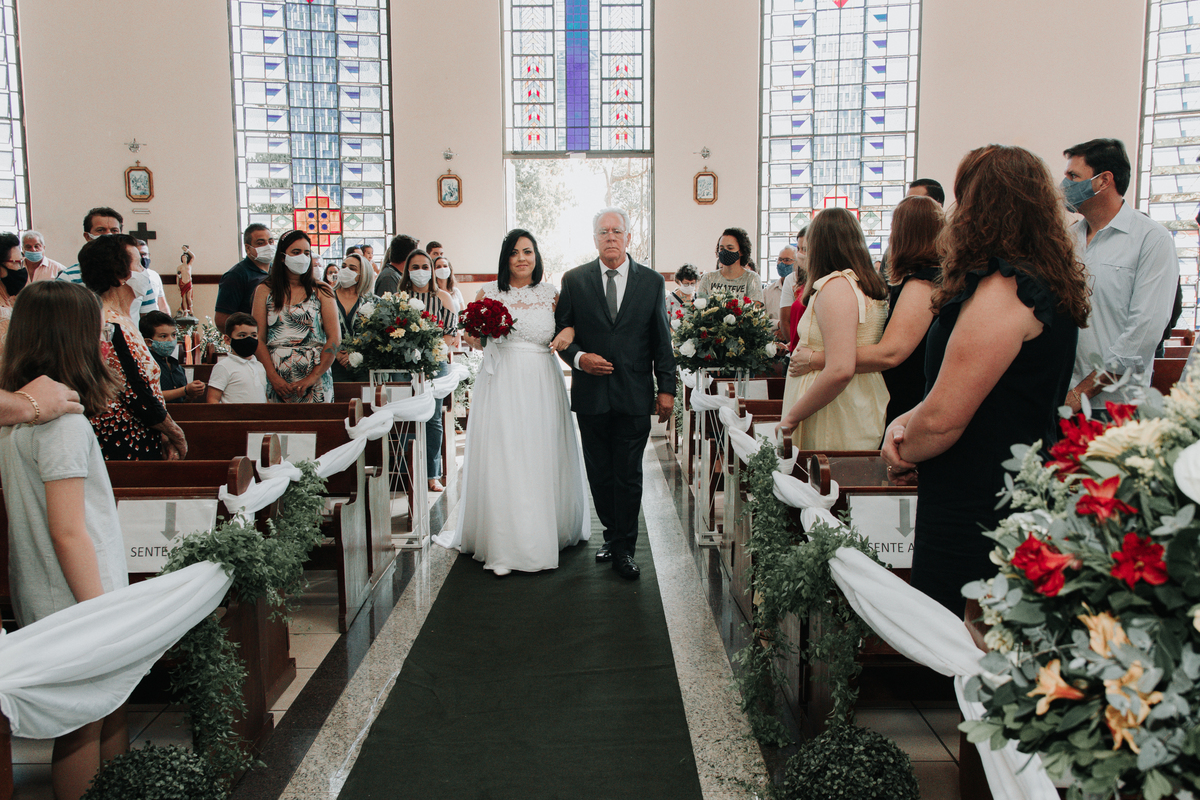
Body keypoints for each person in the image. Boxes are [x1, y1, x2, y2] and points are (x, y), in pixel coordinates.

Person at [882, 144, 1090, 617]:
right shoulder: (1038, 280)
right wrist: (907, 422)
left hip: (979, 498)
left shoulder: (1006, 289)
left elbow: (945, 420)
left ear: (980, 207)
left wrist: (901, 445)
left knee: (962, 641)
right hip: (1006, 480)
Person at [0, 281, 129, 800]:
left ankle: (118, 789)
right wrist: (102, 611)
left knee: (104, 707)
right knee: (81, 726)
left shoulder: (17, 419)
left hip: (47, 586)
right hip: (76, 593)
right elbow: (69, 528)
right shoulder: (62, 426)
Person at [435, 229, 589, 576]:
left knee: (538, 450)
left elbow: (569, 328)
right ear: (506, 257)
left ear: (537, 258)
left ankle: (544, 530)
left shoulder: (551, 293)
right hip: (501, 380)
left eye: (528, 252)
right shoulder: (487, 292)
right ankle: (504, 539)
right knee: (504, 452)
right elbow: (474, 341)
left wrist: (568, 333)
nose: (522, 258)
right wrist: (478, 335)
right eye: (515, 252)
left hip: (540, 379)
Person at [555, 207, 677, 581]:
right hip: (592, 395)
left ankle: (625, 547)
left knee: (628, 474)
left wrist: (667, 389)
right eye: (603, 231)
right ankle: (610, 535)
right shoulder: (575, 280)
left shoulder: (652, 282)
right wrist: (579, 359)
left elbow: (661, 340)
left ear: (628, 238)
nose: (610, 236)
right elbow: (562, 334)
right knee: (601, 473)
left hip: (634, 393)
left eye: (617, 231)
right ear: (594, 239)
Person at [789, 195, 944, 426]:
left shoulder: (922, 284)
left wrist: (815, 359)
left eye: (894, 229)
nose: (891, 238)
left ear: (909, 235)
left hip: (907, 395)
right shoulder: (918, 280)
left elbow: (890, 353)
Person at [1061, 138, 1179, 411]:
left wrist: (1081, 394)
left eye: (1073, 176)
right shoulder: (1067, 240)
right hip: (1063, 399)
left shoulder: (1150, 239)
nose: (1065, 184)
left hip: (1116, 405)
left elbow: (1143, 333)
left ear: (1104, 181)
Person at [778, 208, 889, 449]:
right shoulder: (860, 282)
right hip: (845, 401)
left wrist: (791, 419)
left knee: (826, 482)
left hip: (832, 410)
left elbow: (840, 369)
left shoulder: (837, 286)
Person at [78, 234, 187, 460]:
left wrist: (163, 431)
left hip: (143, 428)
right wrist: (173, 431)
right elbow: (133, 389)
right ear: (119, 275)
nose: (145, 271)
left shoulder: (122, 319)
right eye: (138, 264)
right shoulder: (108, 323)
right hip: (124, 437)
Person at [252, 230, 339, 403]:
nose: (303, 257)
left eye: (307, 253)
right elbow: (258, 338)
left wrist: (312, 378)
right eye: (296, 252)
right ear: (283, 257)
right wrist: (273, 377)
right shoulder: (264, 290)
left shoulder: (321, 290)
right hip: (275, 374)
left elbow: (334, 338)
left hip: (315, 376)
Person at [398, 249, 454, 492]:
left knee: (433, 418)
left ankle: (432, 474)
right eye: (415, 267)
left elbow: (452, 335)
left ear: (431, 271)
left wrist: (431, 349)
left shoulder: (442, 297)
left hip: (434, 362)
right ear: (407, 271)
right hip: (403, 362)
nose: (420, 271)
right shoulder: (399, 298)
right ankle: (403, 473)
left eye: (425, 267)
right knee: (402, 415)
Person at [58, 208, 158, 318]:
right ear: (87, 236)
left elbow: (149, 317)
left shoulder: (137, 275)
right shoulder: (69, 277)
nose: (109, 235)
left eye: (114, 230)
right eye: (101, 230)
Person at [214, 224, 275, 333]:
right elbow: (222, 321)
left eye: (270, 242)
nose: (268, 246)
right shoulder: (236, 275)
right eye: (260, 243)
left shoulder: (278, 272)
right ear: (248, 248)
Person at [140, 311, 204, 402]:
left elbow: (183, 400)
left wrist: (192, 393)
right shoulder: (145, 365)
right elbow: (150, 396)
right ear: (149, 342)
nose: (171, 340)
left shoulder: (177, 367)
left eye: (173, 335)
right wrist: (185, 390)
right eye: (163, 336)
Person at [330, 252, 376, 382]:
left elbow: (377, 335)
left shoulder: (372, 301)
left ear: (363, 274)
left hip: (363, 366)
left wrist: (357, 354)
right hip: (332, 363)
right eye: (343, 266)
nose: (345, 270)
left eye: (352, 268)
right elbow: (318, 329)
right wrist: (336, 353)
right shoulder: (327, 297)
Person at [206, 312, 268, 403]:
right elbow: (212, 399)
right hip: (233, 416)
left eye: (253, 335)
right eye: (242, 335)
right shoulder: (223, 367)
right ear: (227, 339)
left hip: (259, 416)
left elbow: (263, 396)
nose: (249, 340)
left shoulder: (259, 366)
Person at [696, 227, 764, 304]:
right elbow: (700, 307)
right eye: (721, 249)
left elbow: (755, 309)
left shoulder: (752, 278)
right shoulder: (708, 278)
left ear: (741, 251)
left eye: (730, 248)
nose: (725, 252)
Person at [779, 227, 809, 349]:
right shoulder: (793, 279)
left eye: (805, 249)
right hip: (797, 347)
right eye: (799, 249)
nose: (801, 253)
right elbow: (786, 321)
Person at [763, 245, 797, 335]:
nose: (781, 263)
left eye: (786, 260)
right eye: (779, 259)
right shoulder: (767, 292)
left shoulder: (802, 289)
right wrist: (779, 324)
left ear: (796, 263)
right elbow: (760, 320)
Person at [135, 239, 171, 314]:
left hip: (155, 320)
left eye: (145, 254)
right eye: (140, 254)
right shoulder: (129, 277)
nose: (143, 257)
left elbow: (162, 305)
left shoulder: (154, 275)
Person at [176, 247, 194, 317]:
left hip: (188, 282)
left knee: (189, 298)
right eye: (183, 258)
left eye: (185, 258)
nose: (184, 259)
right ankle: (185, 311)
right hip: (182, 283)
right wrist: (177, 285)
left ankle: (191, 309)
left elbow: (193, 257)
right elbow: (177, 277)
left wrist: (187, 250)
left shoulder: (189, 265)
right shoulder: (179, 267)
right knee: (183, 298)